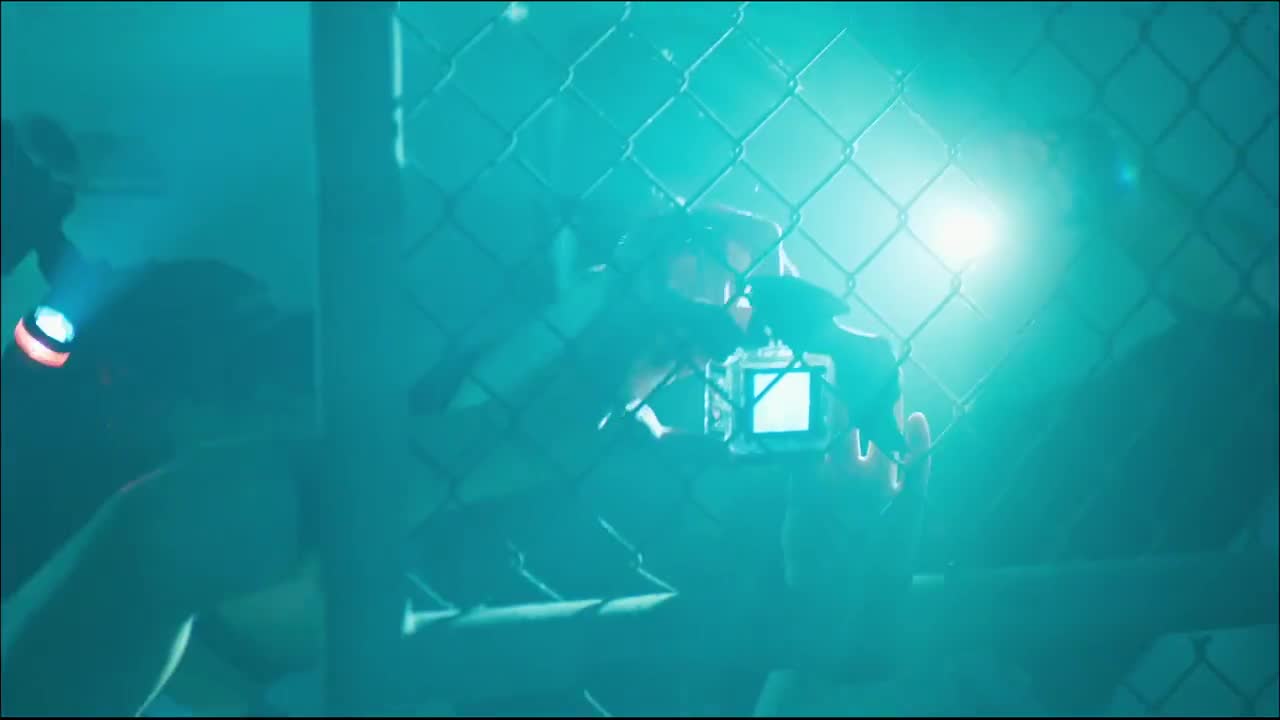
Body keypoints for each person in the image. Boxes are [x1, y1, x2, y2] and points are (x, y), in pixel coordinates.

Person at [0, 124, 934, 717]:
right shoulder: (89, 658)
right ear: (153, 426)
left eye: (338, 413)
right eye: (273, 393)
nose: (329, 432)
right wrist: (504, 442)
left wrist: (828, 598)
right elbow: (170, 532)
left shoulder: (379, 678)